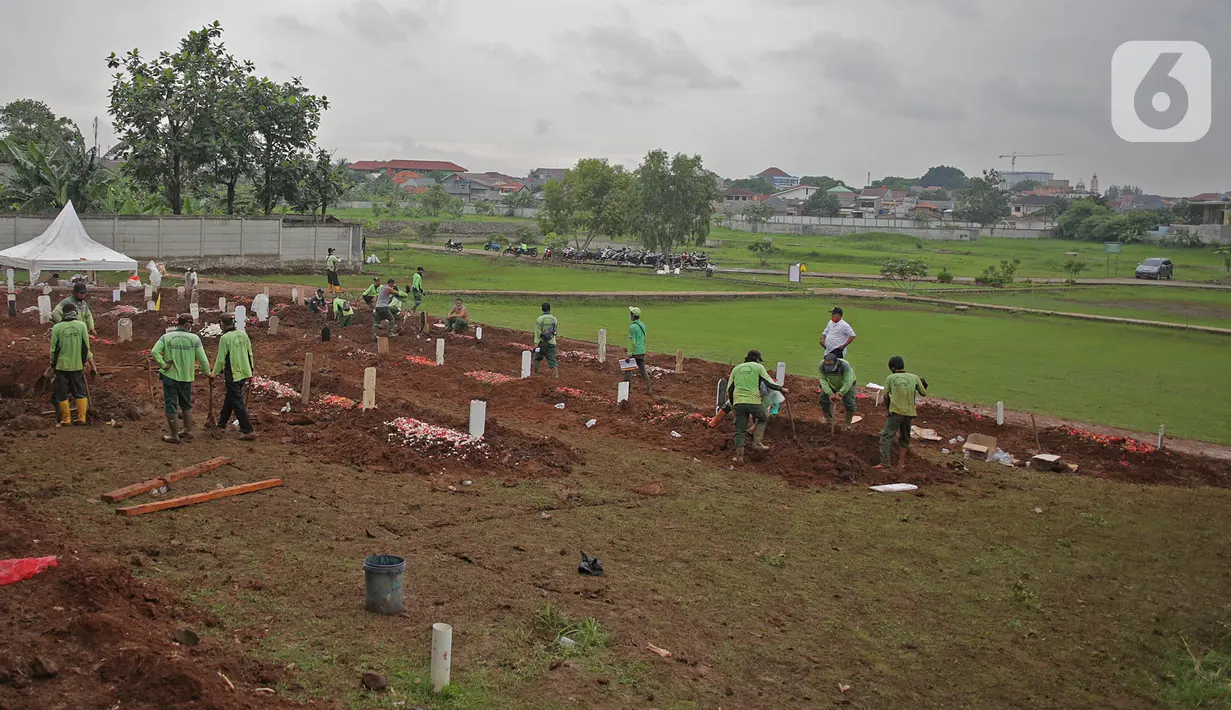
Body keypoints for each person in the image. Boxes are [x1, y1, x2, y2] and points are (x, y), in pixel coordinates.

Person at [151, 314, 211, 444]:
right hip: (186, 377)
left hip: (169, 376)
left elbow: (154, 352)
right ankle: (187, 431)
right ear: (187, 324)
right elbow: (203, 360)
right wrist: (207, 373)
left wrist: (163, 364)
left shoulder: (166, 337)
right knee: (185, 403)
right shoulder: (194, 339)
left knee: (171, 404)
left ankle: (174, 435)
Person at [726, 350, 787, 463]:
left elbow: (729, 389)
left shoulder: (736, 369)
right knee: (763, 417)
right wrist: (781, 389)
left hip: (738, 402)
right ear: (757, 359)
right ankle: (757, 443)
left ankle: (739, 457)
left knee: (739, 430)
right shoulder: (758, 367)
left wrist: (733, 403)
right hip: (753, 401)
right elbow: (769, 382)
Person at [876, 356, 928, 470]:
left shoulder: (891, 377)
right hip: (910, 412)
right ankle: (901, 463)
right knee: (904, 437)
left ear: (892, 368)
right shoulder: (914, 377)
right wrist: (922, 384)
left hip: (896, 411)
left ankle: (885, 462)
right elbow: (923, 393)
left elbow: (885, 395)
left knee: (886, 435)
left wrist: (888, 407)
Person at [48, 302, 96, 427]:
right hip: (77, 365)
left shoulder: (57, 328)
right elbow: (86, 347)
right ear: (75, 313)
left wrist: (52, 365)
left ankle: (66, 420)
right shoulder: (82, 326)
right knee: (80, 392)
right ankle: (81, 418)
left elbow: (53, 350)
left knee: (62, 393)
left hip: (61, 366)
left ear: (63, 314)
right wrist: (85, 362)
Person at [211, 314, 257, 440]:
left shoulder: (225, 338)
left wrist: (213, 374)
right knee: (230, 398)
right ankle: (221, 425)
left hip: (233, 373)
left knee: (237, 401)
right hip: (244, 371)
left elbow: (221, 359)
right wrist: (251, 370)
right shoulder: (243, 334)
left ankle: (248, 430)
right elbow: (250, 353)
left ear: (221, 323)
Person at [818, 350, 857, 431]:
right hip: (832, 384)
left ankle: (847, 424)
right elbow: (823, 379)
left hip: (847, 385)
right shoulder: (822, 365)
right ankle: (829, 420)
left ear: (836, 362)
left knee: (849, 402)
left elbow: (848, 381)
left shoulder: (845, 365)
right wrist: (829, 393)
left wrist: (840, 393)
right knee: (823, 399)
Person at [626, 306, 651, 395]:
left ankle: (627, 390)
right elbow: (645, 338)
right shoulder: (642, 325)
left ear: (632, 316)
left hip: (634, 352)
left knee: (628, 370)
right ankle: (649, 388)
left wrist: (629, 354)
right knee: (643, 370)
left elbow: (631, 341)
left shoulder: (632, 327)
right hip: (642, 351)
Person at [533, 302, 559, 378]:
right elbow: (555, 331)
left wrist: (536, 343)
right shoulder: (554, 319)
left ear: (542, 309)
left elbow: (537, 332)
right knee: (552, 359)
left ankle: (535, 374)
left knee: (537, 358)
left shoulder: (539, 319)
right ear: (549, 309)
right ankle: (556, 375)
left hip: (541, 343)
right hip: (552, 342)